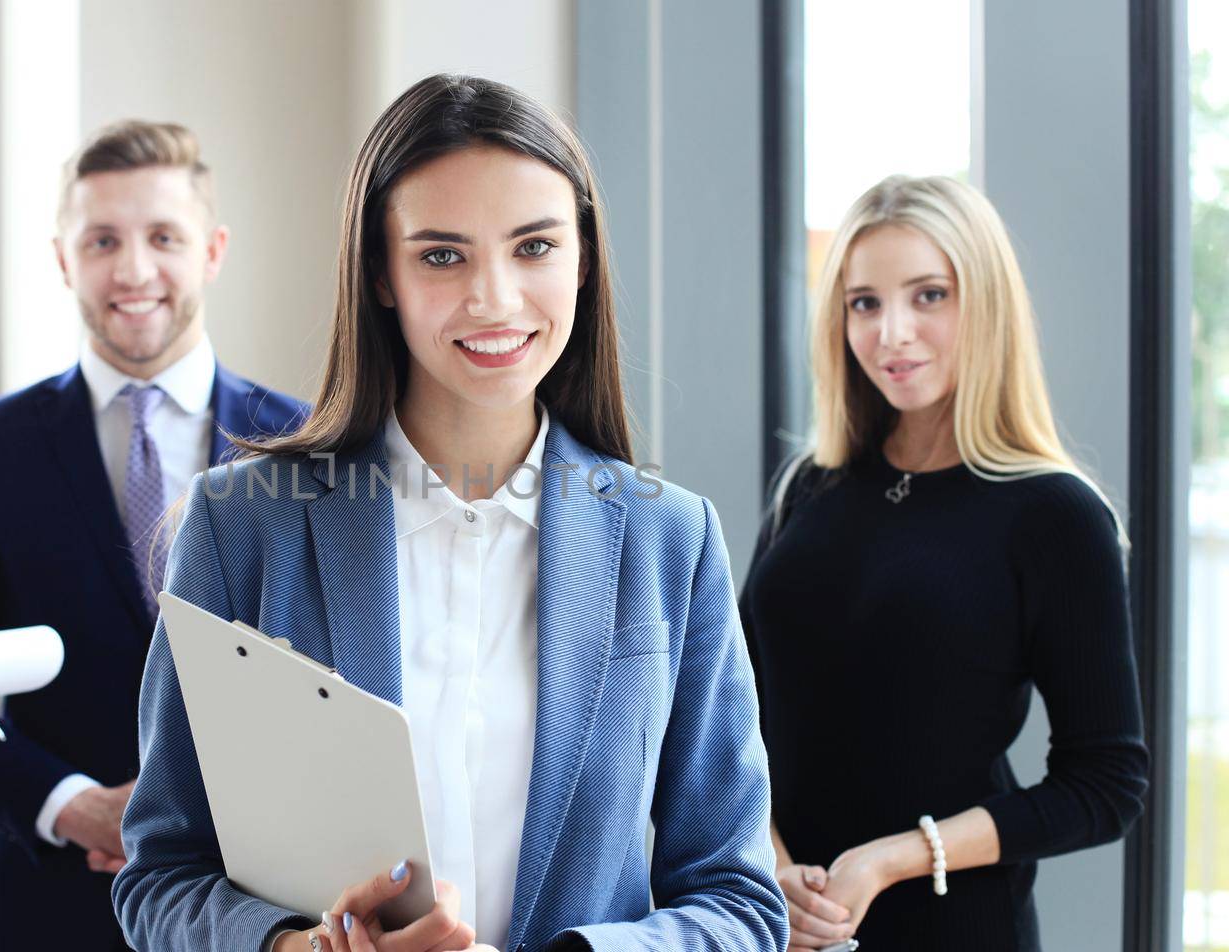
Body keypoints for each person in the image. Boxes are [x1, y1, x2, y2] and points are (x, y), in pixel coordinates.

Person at [113, 74, 789, 952]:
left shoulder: (673, 540)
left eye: (535, 247)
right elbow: (162, 875)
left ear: (582, 258)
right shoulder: (241, 527)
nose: (495, 299)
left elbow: (739, 899)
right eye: (442, 255)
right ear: (382, 276)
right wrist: (291, 949)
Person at [0, 120, 306, 950]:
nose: (133, 270)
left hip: (250, 910)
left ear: (213, 250)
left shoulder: (304, 444)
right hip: (43, 906)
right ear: (62, 258)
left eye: (164, 236)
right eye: (102, 240)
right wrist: (70, 806)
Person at [739, 175, 1149, 951]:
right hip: (779, 922)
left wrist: (890, 861)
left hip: (953, 929)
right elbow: (732, 710)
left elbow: (1106, 787)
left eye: (929, 295)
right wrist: (770, 862)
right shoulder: (811, 487)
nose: (892, 333)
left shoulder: (1056, 514)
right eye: (865, 303)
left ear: (985, 304)